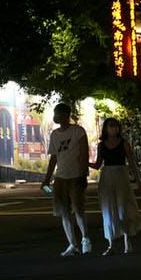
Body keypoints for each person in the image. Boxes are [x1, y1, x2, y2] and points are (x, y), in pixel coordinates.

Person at [40, 103, 93, 257]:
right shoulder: (55, 134)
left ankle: (85, 239)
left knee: (79, 210)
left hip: (76, 176)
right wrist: (47, 178)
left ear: (66, 115)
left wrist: (83, 174)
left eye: (57, 114)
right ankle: (72, 244)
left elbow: (84, 154)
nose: (55, 117)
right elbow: (54, 158)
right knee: (64, 212)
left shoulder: (78, 131)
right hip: (61, 178)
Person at [89, 117, 141, 255]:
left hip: (121, 175)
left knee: (122, 210)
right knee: (108, 212)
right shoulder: (101, 145)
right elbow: (97, 164)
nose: (113, 128)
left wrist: (138, 181)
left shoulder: (124, 143)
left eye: (115, 125)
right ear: (106, 128)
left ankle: (127, 242)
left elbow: (131, 162)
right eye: (110, 126)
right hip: (107, 176)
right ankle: (111, 244)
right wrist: (83, 162)